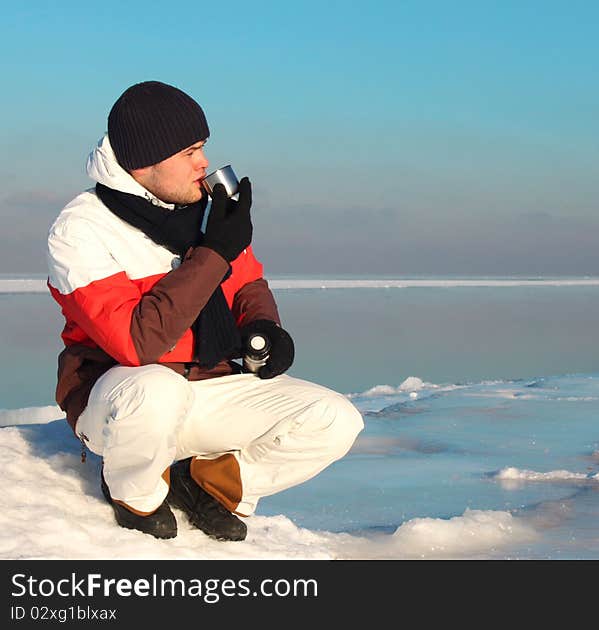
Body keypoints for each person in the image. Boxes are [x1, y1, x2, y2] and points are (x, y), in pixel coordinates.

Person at [47, 81, 364, 541]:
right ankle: (135, 493)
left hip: (208, 386)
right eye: (190, 151)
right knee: (156, 390)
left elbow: (247, 283)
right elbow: (138, 344)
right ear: (144, 162)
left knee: (334, 418)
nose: (204, 164)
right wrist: (214, 250)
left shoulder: (201, 211)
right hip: (121, 399)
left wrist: (263, 328)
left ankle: (203, 483)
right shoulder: (81, 229)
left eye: (204, 149)